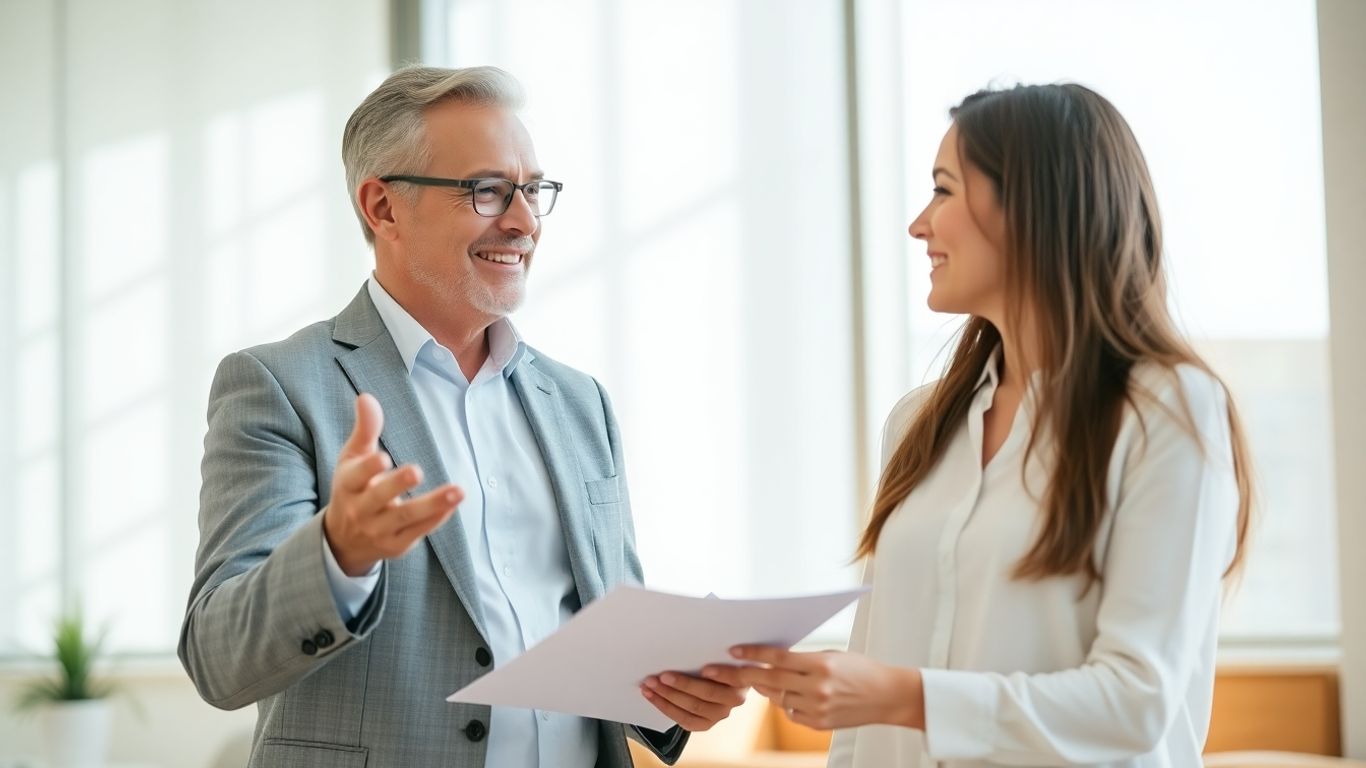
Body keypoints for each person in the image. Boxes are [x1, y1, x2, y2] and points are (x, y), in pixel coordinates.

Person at [178, 65, 744, 767]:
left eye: (533, 191)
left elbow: (605, 637)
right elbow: (218, 656)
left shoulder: (579, 403)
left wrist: (669, 689)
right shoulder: (280, 385)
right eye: (487, 191)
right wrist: (338, 552)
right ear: (383, 208)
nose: (524, 221)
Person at [701, 83, 1253, 767]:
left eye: (943, 190)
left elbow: (1136, 702)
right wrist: (851, 689)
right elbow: (865, 710)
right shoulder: (918, 425)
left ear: (1032, 206)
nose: (919, 224)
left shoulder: (1166, 411)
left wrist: (904, 696)